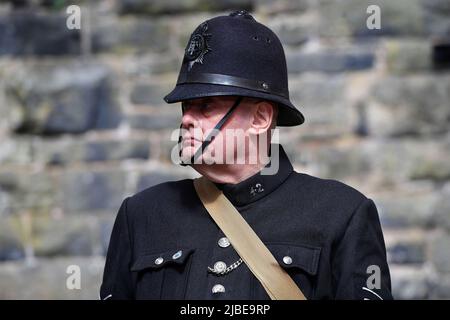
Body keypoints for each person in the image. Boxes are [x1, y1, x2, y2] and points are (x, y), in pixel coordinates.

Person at [100, 10, 392, 300]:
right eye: (185, 106)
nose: (187, 119)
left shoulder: (341, 214)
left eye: (206, 105)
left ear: (260, 118)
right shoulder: (141, 216)